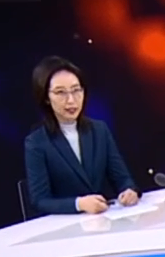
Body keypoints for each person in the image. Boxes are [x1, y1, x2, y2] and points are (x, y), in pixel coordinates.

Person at [22, 56, 140, 217]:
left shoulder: (99, 130)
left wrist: (129, 190)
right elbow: (40, 200)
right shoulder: (36, 142)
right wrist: (79, 204)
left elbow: (122, 178)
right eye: (60, 92)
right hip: (65, 224)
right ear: (46, 98)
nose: (71, 100)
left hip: (102, 220)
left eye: (76, 90)